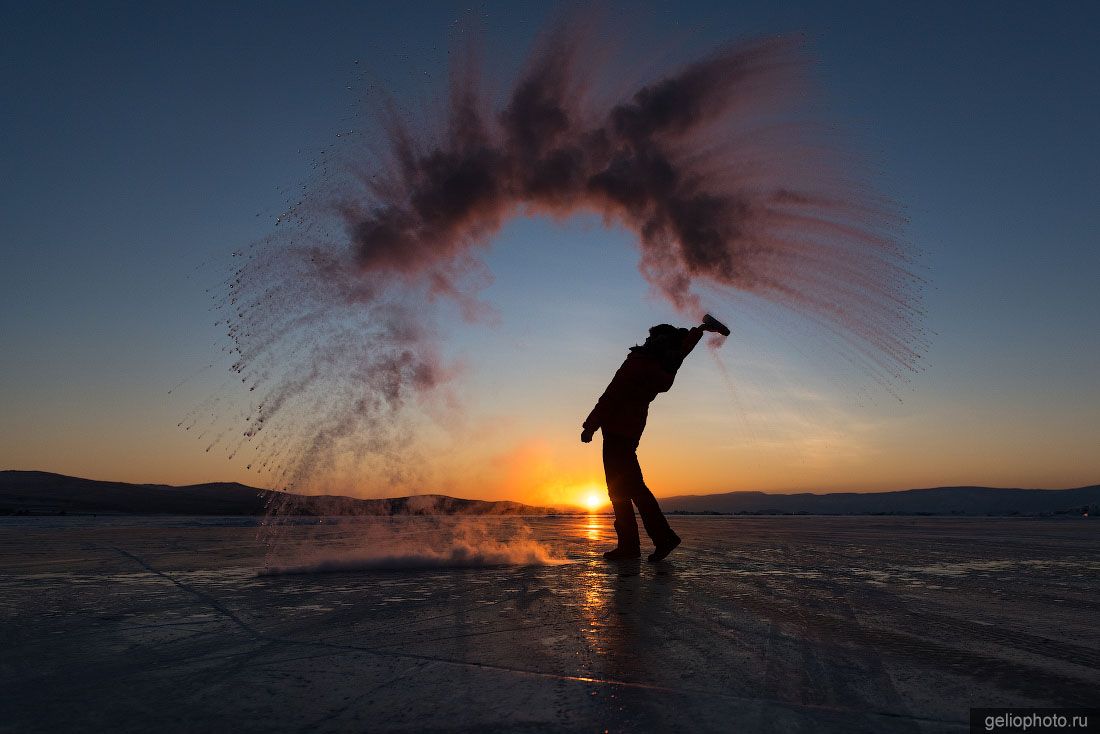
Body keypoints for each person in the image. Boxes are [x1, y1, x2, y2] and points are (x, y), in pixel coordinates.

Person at [581, 315, 730, 562]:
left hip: (617, 431)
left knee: (624, 490)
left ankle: (651, 541)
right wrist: (701, 329)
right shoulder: (667, 363)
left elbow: (612, 394)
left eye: (652, 337)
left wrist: (590, 426)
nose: (647, 339)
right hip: (632, 430)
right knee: (629, 488)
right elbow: (683, 348)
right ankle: (643, 543)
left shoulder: (638, 362)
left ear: (658, 340)